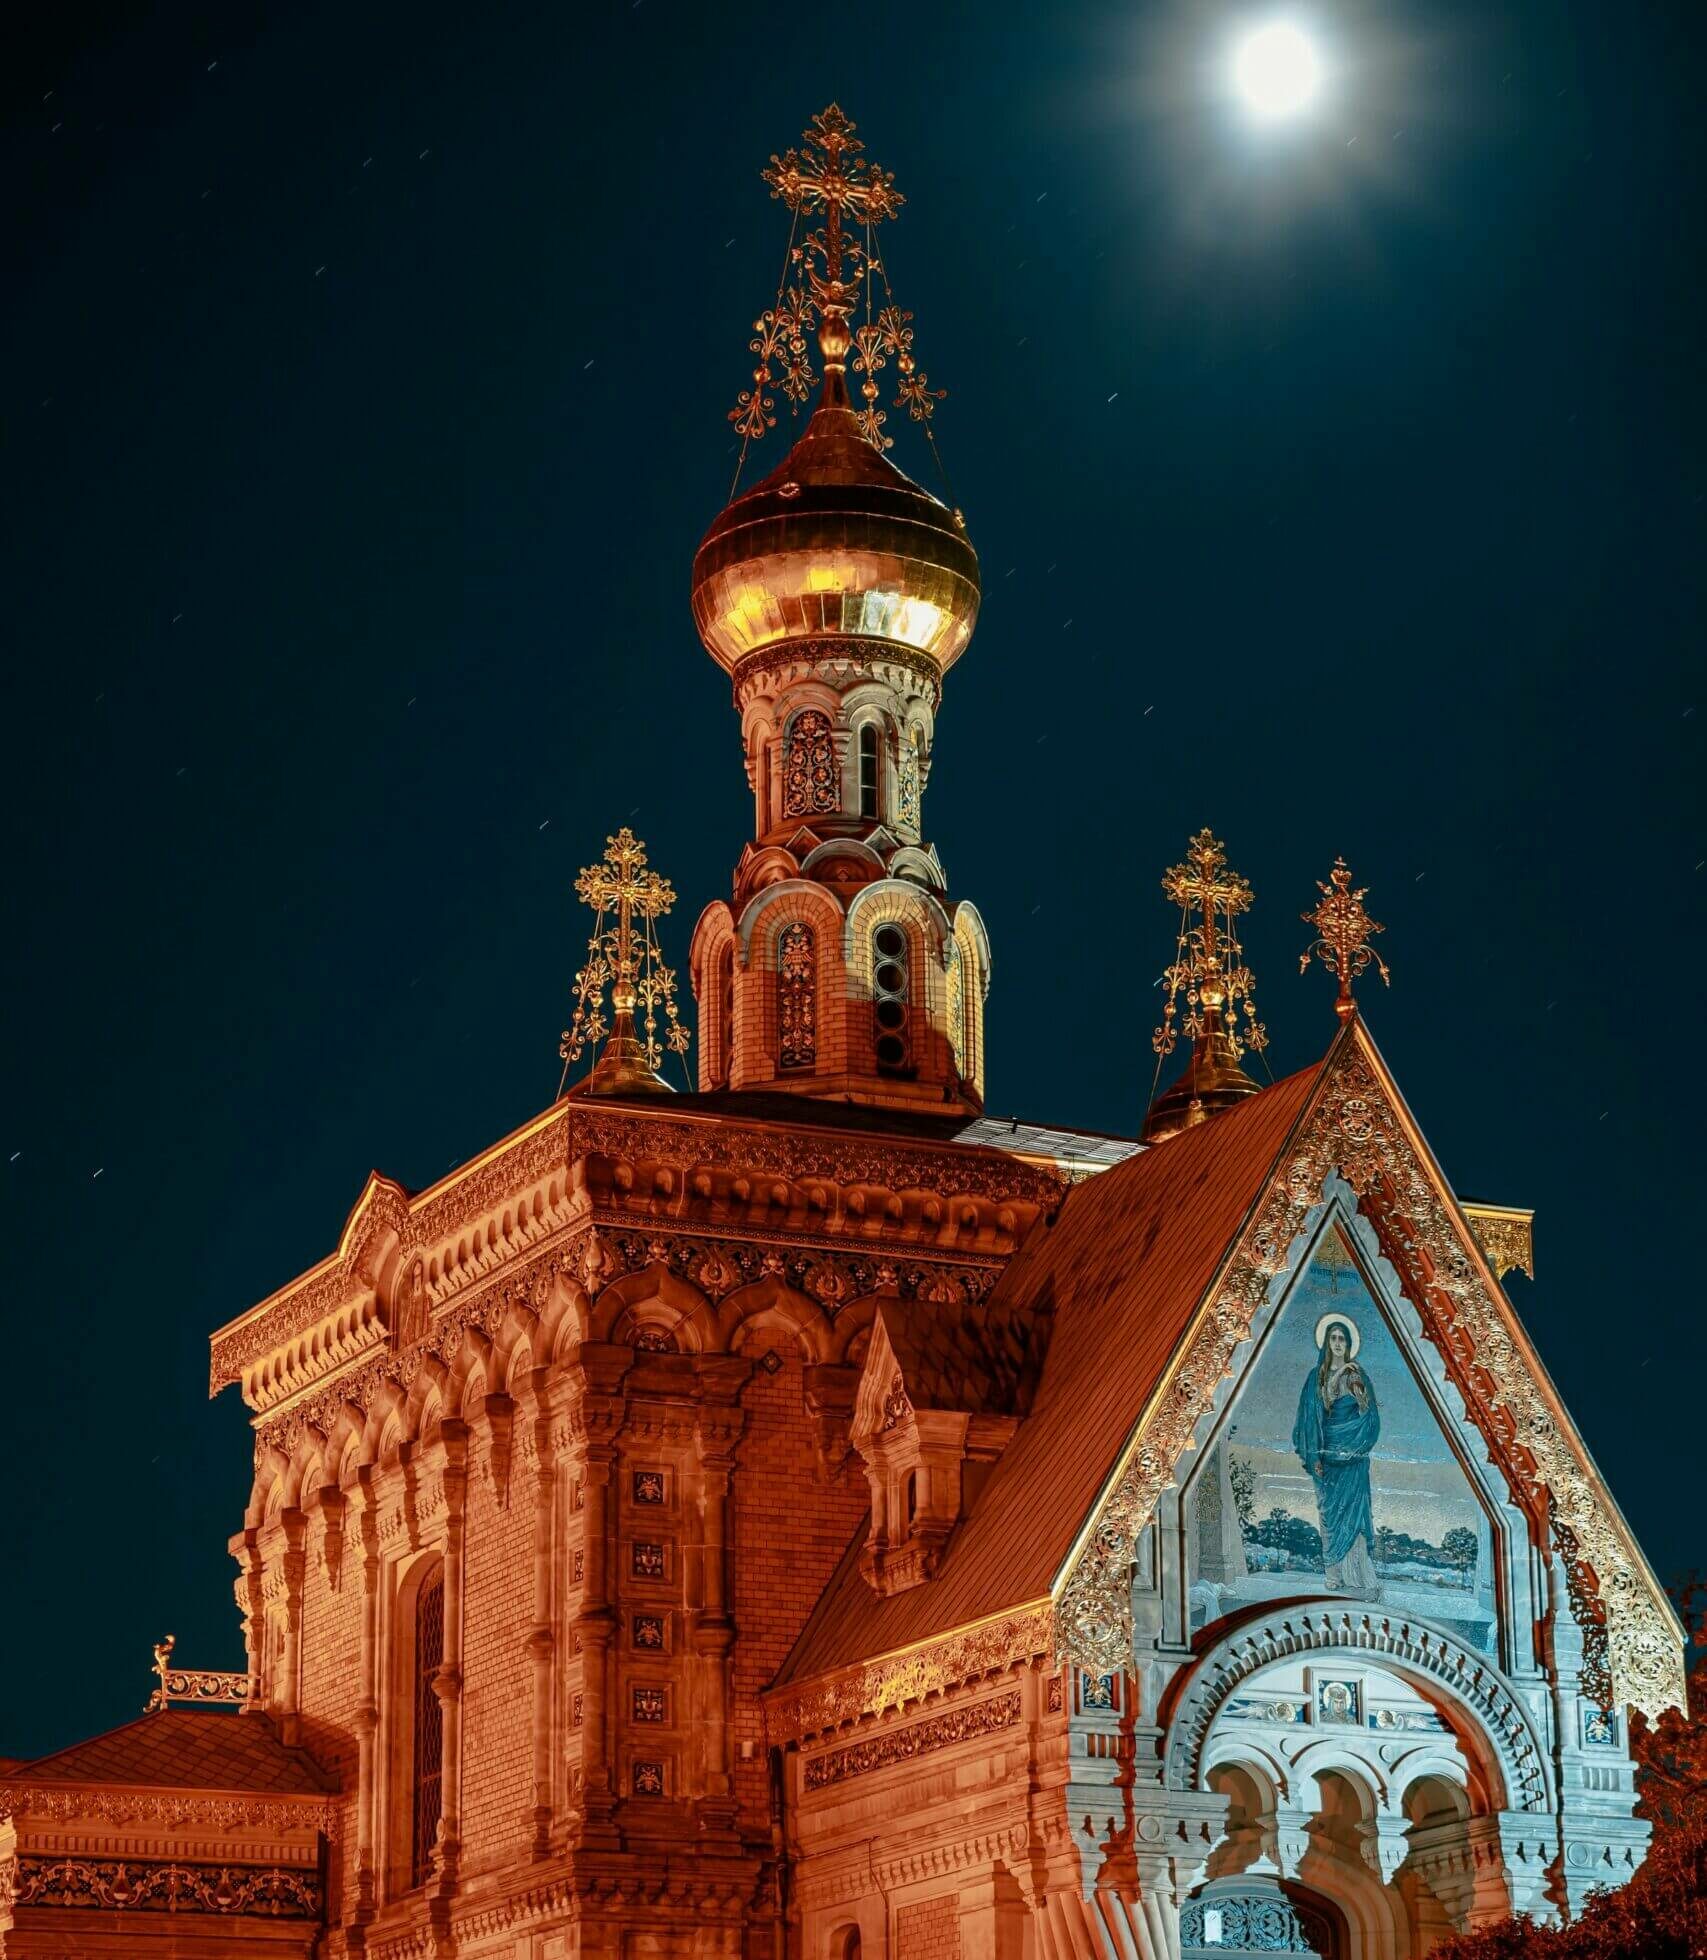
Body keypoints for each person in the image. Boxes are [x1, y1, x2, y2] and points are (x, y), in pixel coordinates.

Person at [1292, 1315, 1381, 1598]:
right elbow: (1308, 1421)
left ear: (1349, 1343)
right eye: (1333, 1338)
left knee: (1353, 1517)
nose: (1338, 1343)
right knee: (1329, 1515)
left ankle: (1358, 1575)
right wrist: (1314, 1456)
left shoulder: (1357, 1375)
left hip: (1353, 1459)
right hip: (1327, 1457)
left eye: (1342, 1338)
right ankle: (1334, 1574)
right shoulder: (1315, 1377)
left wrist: (1355, 1445)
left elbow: (1370, 1417)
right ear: (1327, 1342)